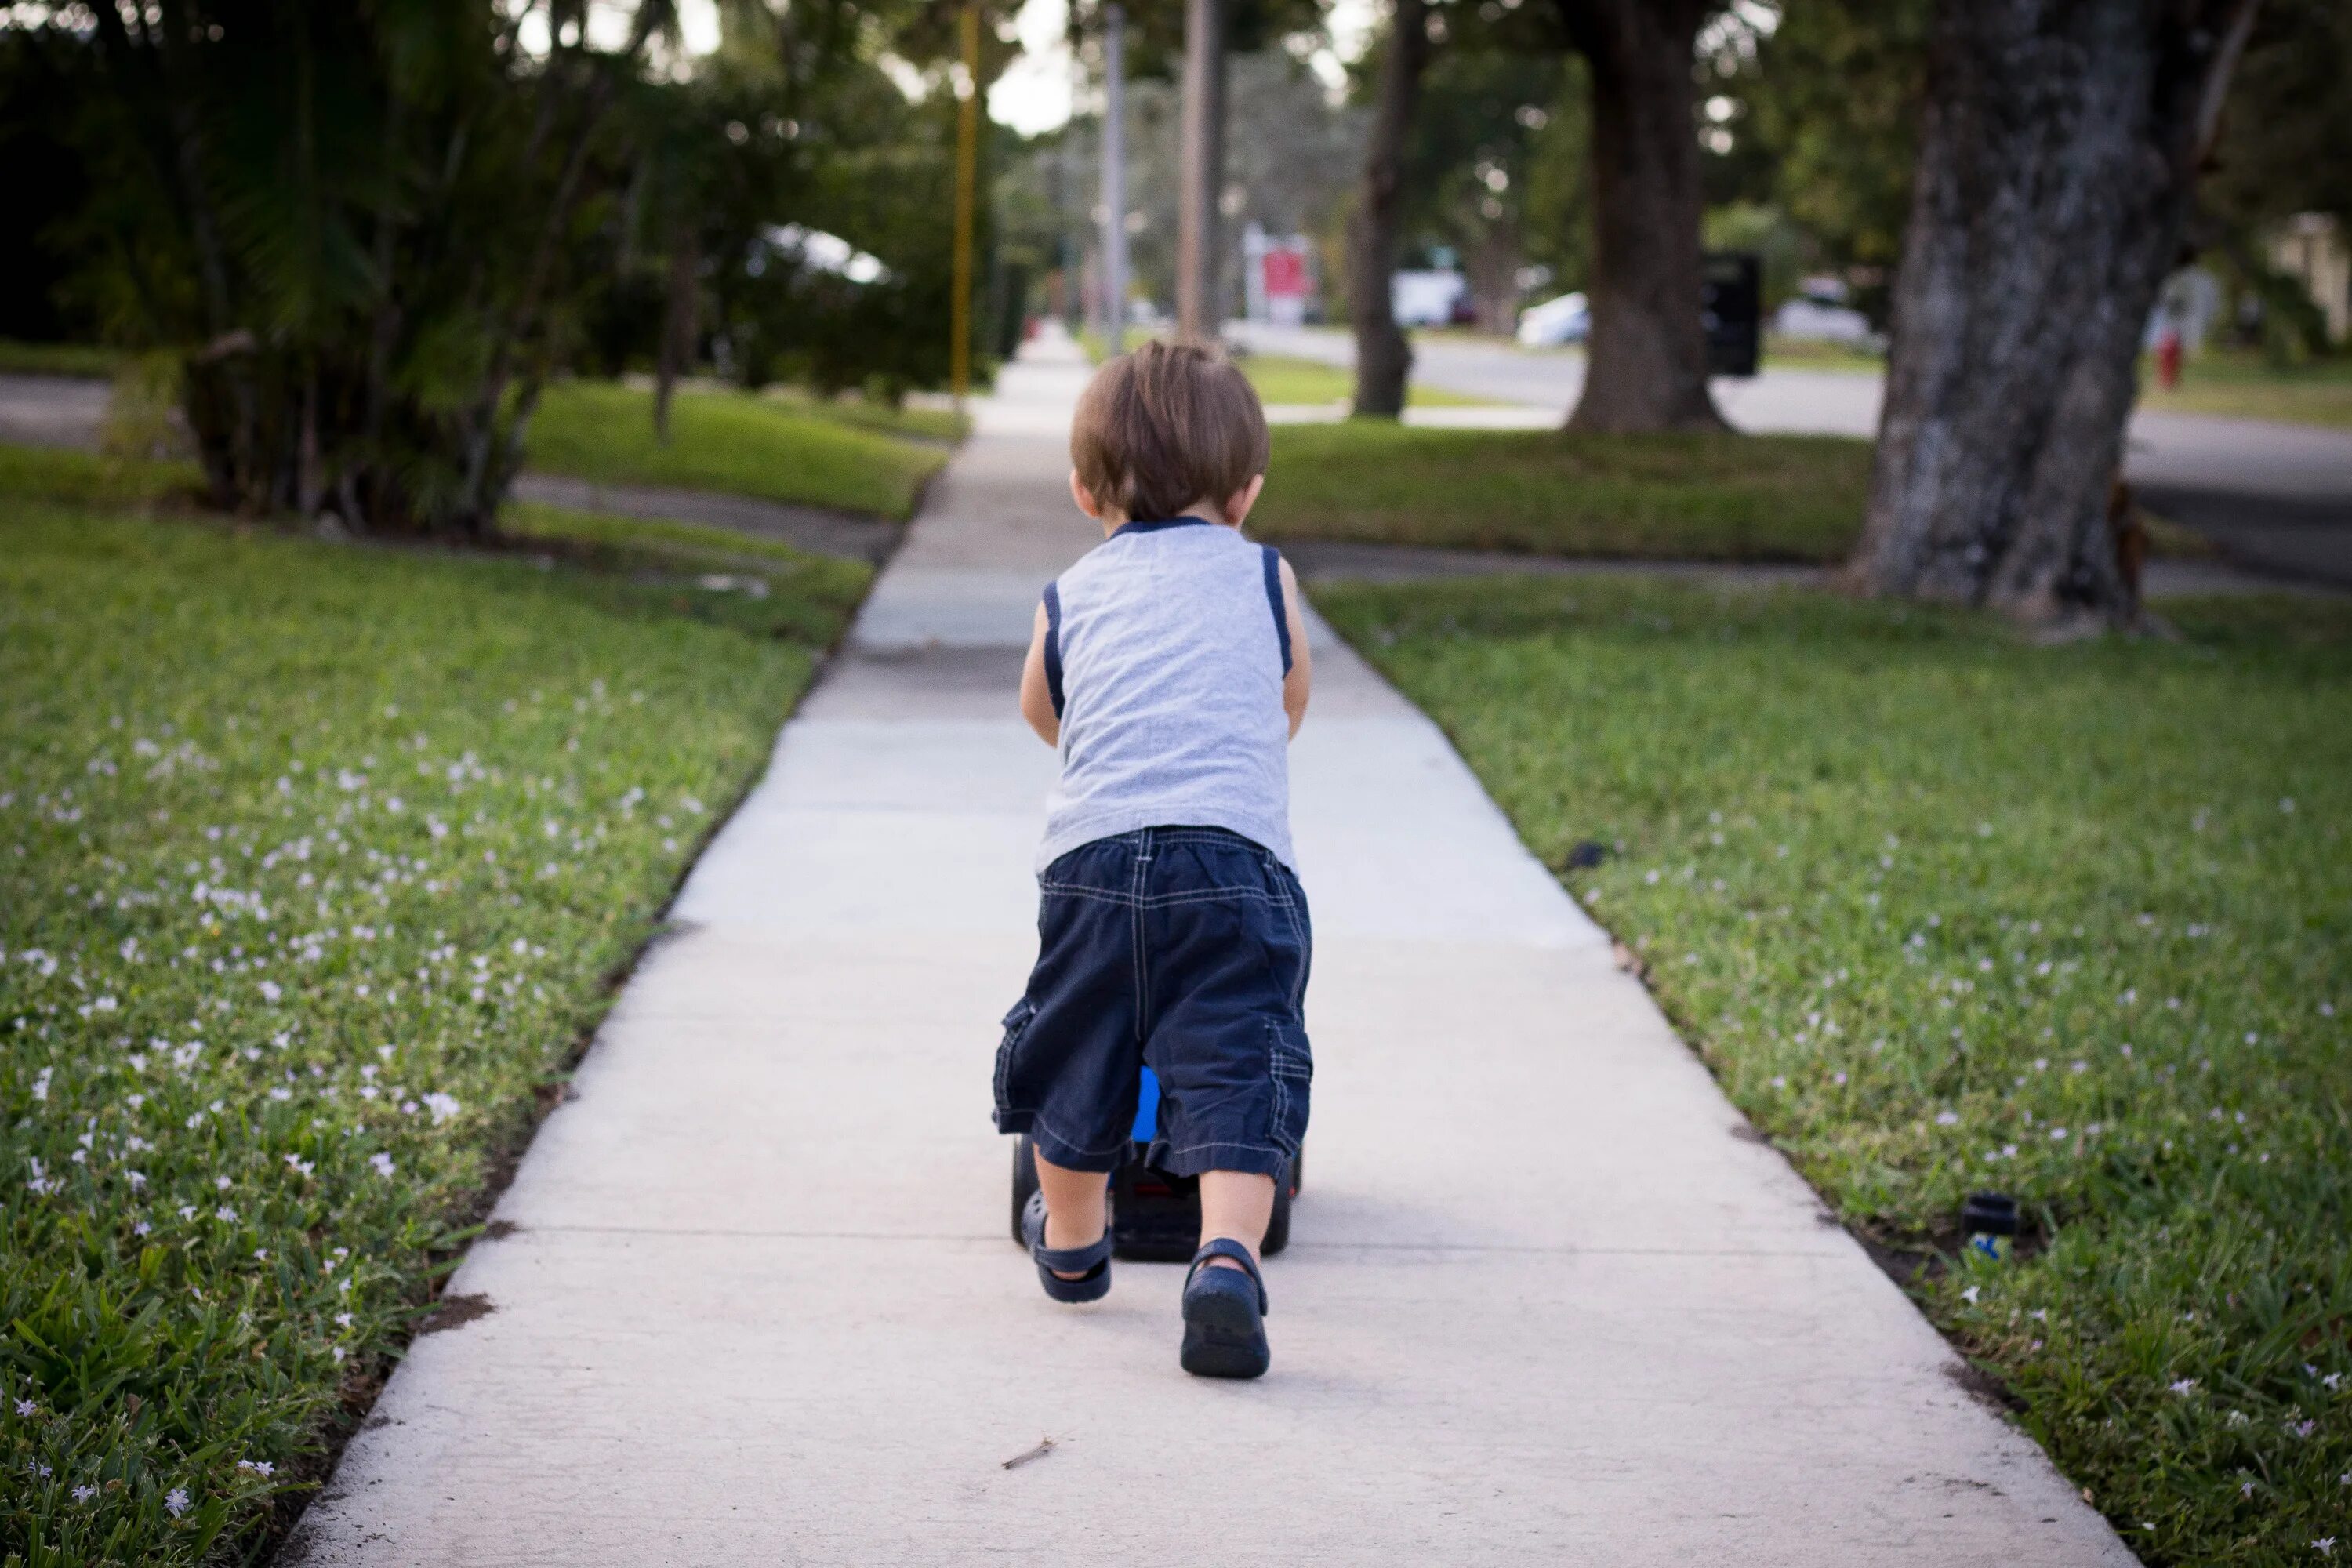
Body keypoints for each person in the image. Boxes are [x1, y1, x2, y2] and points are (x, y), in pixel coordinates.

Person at [993, 338, 1313, 1380]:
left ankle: (1076, 1247)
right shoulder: (1268, 575)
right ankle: (1224, 1257)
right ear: (1248, 491)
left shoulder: (1067, 592)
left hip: (1090, 871)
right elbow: (1286, 702)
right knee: (1234, 1061)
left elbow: (1045, 710)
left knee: (1077, 1052)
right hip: (1236, 869)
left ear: (1084, 490)